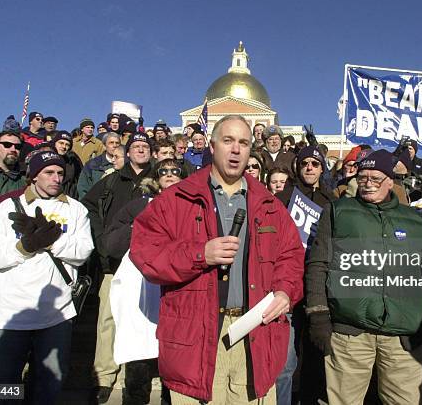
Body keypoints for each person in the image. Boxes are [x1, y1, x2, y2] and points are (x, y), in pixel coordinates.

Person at [130, 114, 305, 404]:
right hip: (196, 332)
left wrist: (286, 292)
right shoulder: (178, 198)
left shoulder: (269, 204)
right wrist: (200, 254)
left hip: (255, 331)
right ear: (212, 146)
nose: (236, 149)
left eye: (244, 143)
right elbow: (145, 253)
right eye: (228, 141)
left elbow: (291, 256)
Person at [305, 149, 422, 405]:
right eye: (362, 178)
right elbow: (318, 264)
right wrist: (318, 314)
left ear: (390, 181)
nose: (368, 184)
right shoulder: (337, 211)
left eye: (375, 178)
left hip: (401, 335)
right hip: (350, 333)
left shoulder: (414, 220)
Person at [0, 150, 94, 403]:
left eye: (60, 173)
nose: (56, 178)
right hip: (13, 311)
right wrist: (25, 247)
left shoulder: (75, 209)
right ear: (33, 177)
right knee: (5, 382)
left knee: (50, 382)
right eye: (49, 172)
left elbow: (84, 251)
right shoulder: (8, 206)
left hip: (58, 312)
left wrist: (53, 240)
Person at [105, 158, 185, 405]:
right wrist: (141, 225)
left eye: (175, 171)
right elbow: (110, 244)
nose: (170, 174)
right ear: (156, 179)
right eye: (164, 171)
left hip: (177, 293)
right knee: (138, 368)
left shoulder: (193, 208)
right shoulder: (139, 206)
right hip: (142, 293)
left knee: (174, 375)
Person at [82, 132, 153, 403]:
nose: (140, 150)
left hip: (148, 266)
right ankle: (104, 376)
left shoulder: (159, 181)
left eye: (145, 146)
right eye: (136, 146)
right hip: (114, 262)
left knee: (143, 323)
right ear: (127, 151)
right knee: (108, 320)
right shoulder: (111, 180)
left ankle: (139, 378)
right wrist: (102, 242)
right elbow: (89, 208)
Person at [275, 145, 334, 405]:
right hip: (287, 286)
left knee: (314, 357)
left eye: (315, 163)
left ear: (322, 168)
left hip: (317, 287)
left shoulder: (332, 201)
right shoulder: (283, 197)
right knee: (285, 364)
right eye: (305, 163)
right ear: (297, 167)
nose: (310, 168)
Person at [76, 132, 121, 199]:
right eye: (111, 143)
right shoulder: (92, 165)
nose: (115, 145)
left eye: (117, 143)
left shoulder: (126, 164)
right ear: (104, 146)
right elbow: (83, 189)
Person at [51, 131, 82, 199]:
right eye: (61, 143)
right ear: (54, 143)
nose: (64, 147)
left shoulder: (73, 161)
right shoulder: (45, 159)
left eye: (67, 144)